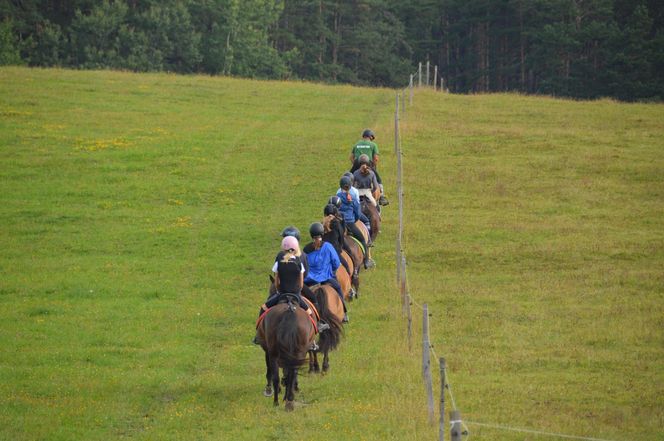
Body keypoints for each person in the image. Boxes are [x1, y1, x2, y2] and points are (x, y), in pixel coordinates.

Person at [303, 222, 348, 322]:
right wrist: (332, 271)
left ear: (311, 235)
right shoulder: (327, 246)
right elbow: (336, 263)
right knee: (338, 288)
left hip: (309, 281)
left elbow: (303, 266)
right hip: (326, 278)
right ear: (322, 234)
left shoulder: (306, 249)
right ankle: (344, 312)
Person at [337, 176, 375, 269]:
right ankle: (366, 261)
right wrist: (354, 220)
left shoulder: (337, 196)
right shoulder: (353, 197)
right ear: (350, 186)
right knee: (362, 240)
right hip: (350, 223)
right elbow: (357, 213)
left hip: (339, 223)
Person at [349, 129, 389, 206]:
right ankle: (381, 197)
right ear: (371, 137)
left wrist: (355, 165)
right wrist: (373, 167)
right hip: (368, 163)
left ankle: (344, 191)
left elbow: (351, 157)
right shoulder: (373, 145)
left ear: (363, 136)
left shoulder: (356, 144)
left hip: (357, 162)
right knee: (378, 179)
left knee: (348, 176)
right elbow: (376, 158)